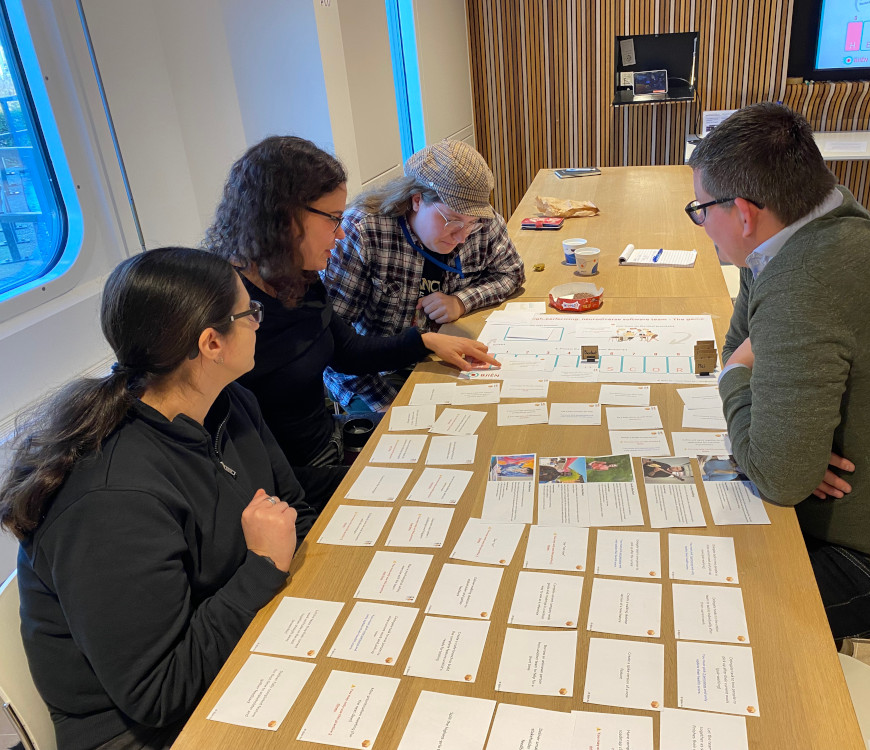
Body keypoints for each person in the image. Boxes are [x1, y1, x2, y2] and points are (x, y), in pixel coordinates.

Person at [0, 248, 316, 750]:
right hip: (146, 731)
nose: (259, 320)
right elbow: (158, 692)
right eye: (249, 312)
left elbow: (293, 511)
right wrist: (260, 567)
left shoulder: (230, 402)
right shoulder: (109, 502)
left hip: (234, 640)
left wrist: (267, 566)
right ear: (211, 342)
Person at [688, 102, 870, 641]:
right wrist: (784, 443)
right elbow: (746, 340)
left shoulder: (807, 283)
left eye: (702, 209)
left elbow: (777, 475)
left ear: (744, 213)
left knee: (698, 611)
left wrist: (736, 382)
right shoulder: (822, 216)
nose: (702, 224)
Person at [203, 136, 499, 508]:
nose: (341, 232)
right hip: (288, 487)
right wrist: (353, 481)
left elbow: (345, 349)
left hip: (328, 445)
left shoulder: (297, 275)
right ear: (285, 217)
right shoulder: (228, 309)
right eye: (333, 220)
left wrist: (423, 342)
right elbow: (245, 466)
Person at [323, 139, 525, 411]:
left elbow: (511, 272)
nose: (462, 235)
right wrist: (388, 404)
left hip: (439, 357)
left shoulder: (480, 223)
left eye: (470, 222)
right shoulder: (361, 232)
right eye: (452, 221)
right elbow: (334, 343)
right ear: (416, 199)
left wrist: (462, 301)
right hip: (373, 373)